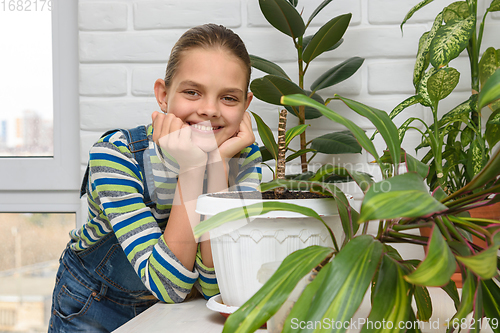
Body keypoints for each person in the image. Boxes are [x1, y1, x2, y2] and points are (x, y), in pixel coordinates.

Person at [48, 23, 262, 332]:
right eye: (192, 92)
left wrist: (216, 165)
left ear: (246, 105)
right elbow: (170, 287)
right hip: (94, 305)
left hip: (174, 314)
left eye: (229, 98)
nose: (210, 109)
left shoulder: (242, 158)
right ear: (163, 95)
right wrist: (190, 169)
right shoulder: (116, 156)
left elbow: (222, 290)